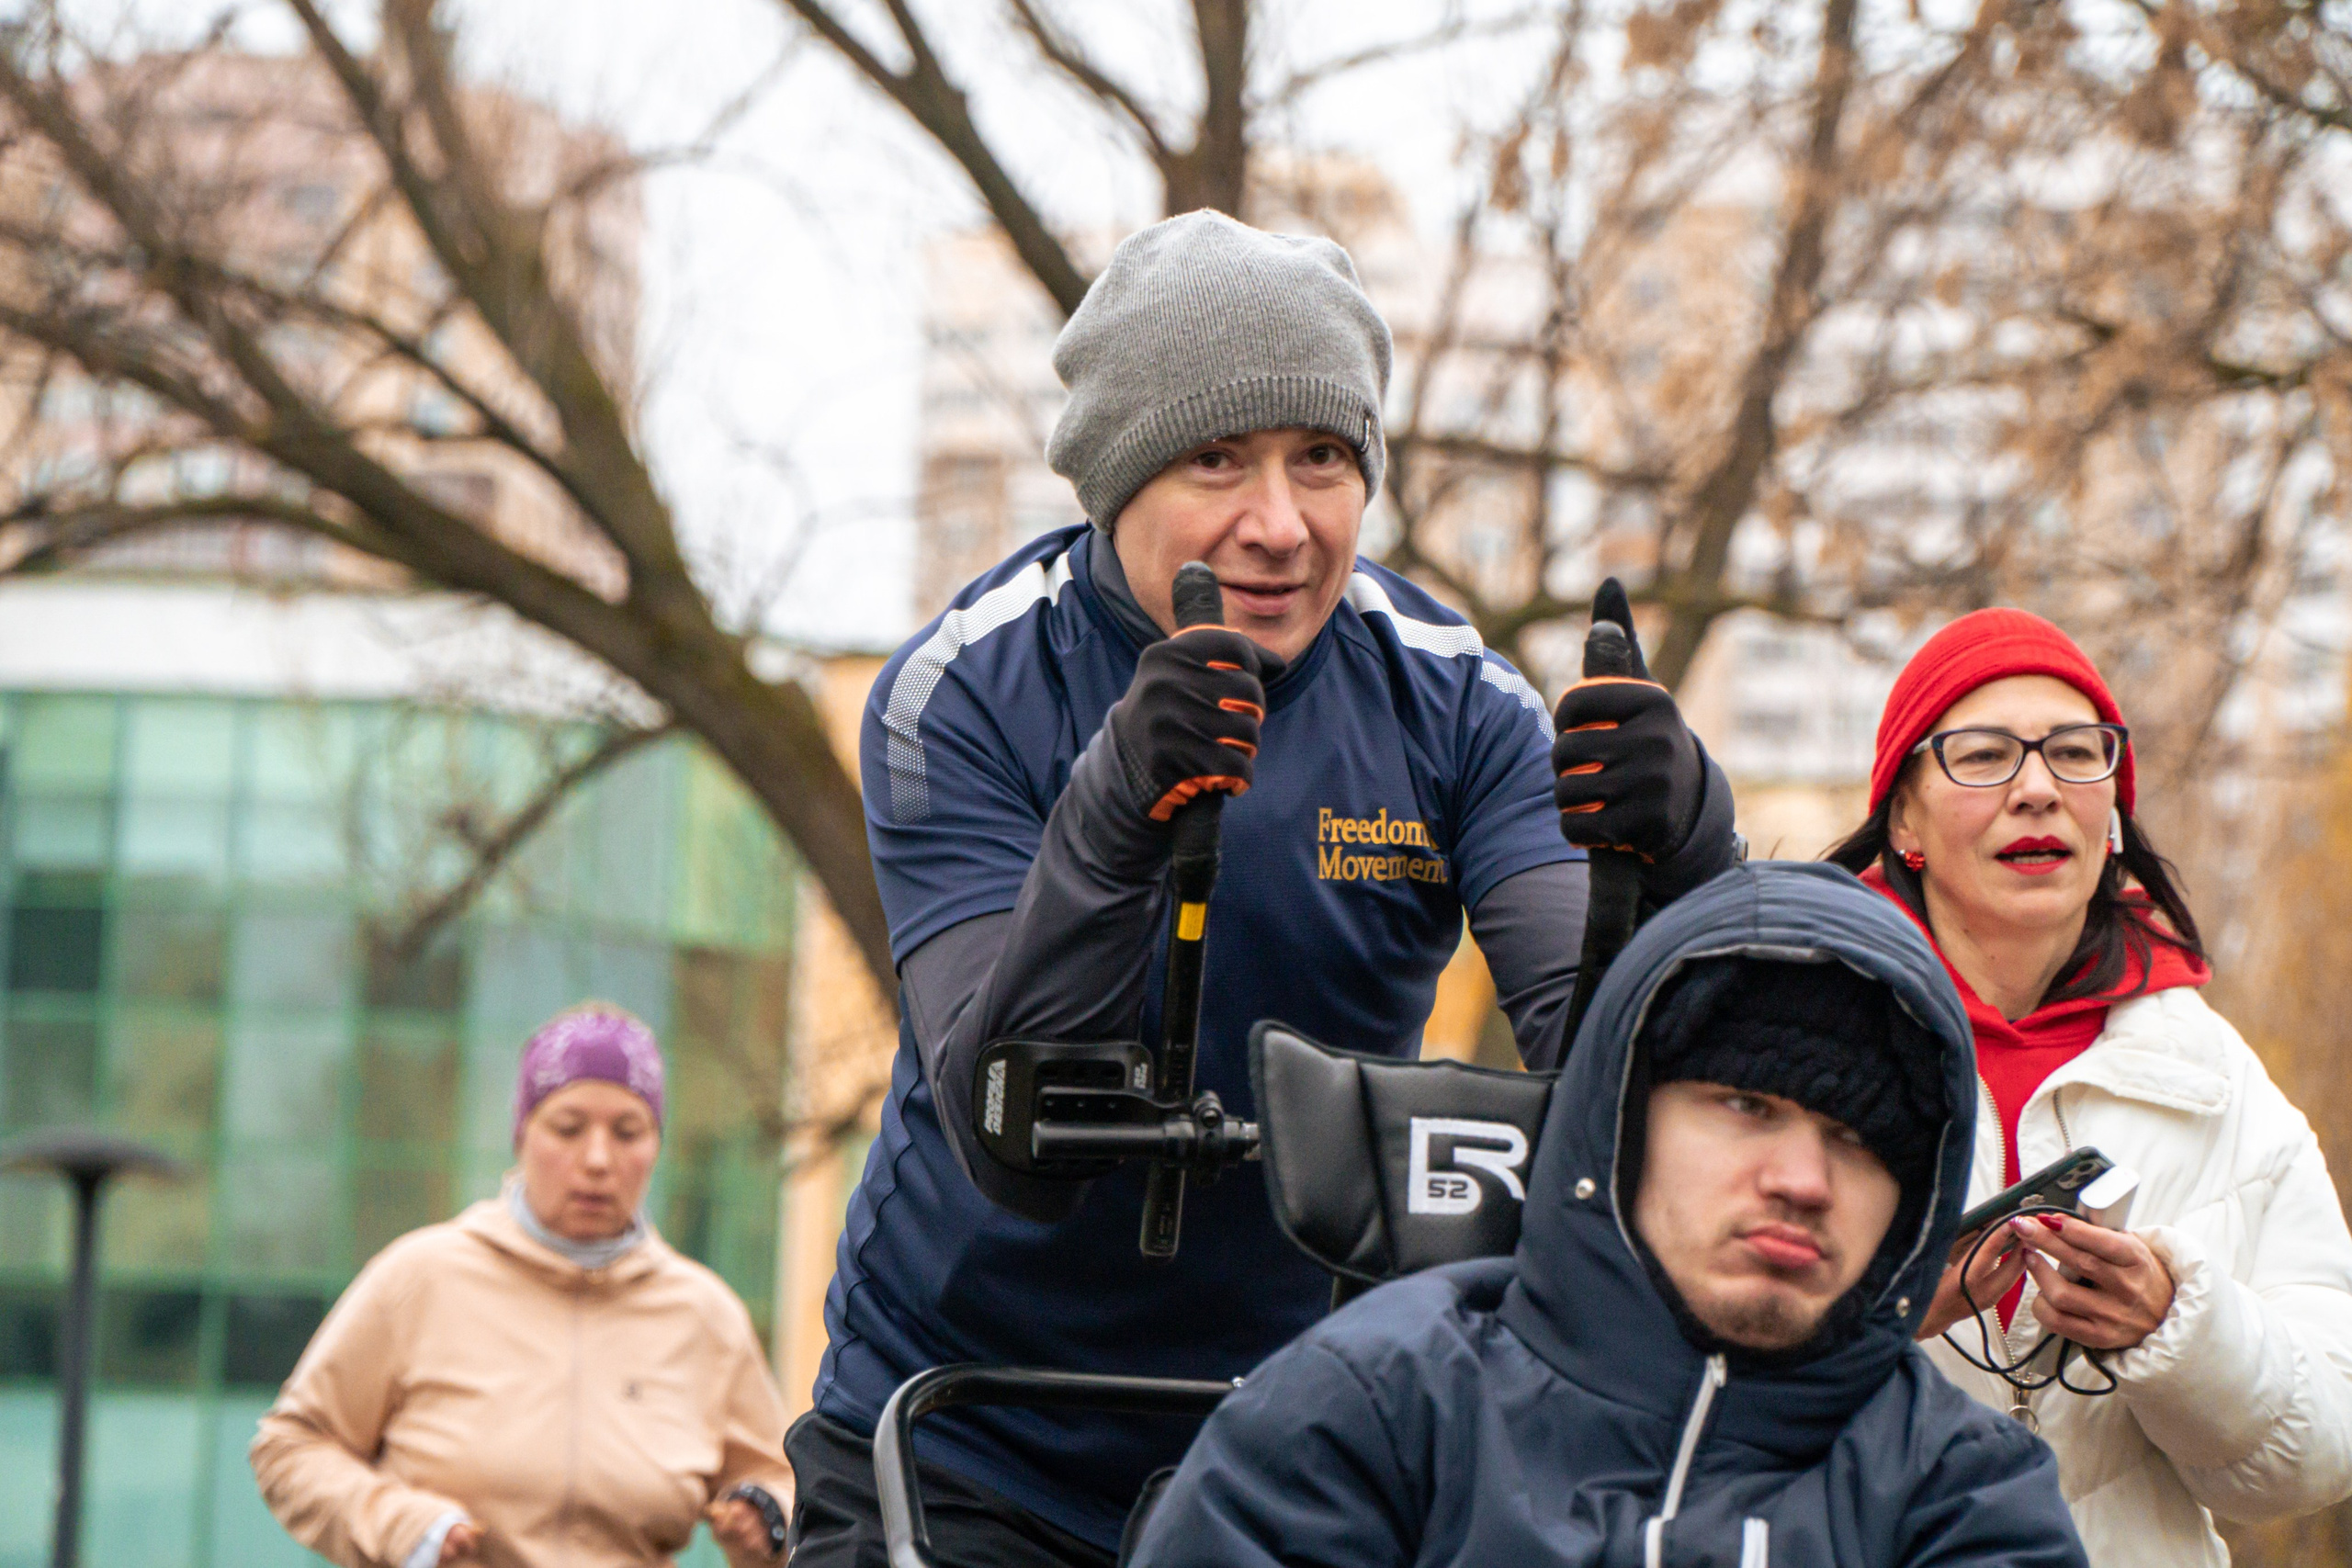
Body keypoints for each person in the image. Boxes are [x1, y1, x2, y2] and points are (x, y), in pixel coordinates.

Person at [790, 210, 1742, 1564]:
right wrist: (1117, 808)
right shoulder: (961, 692)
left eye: (1324, 459)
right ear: (1117, 477)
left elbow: (1614, 1080)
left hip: (1296, 1438)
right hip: (965, 1432)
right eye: (1218, 459)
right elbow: (1012, 1132)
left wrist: (1687, 852)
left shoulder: (1458, 698)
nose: (1280, 524)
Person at [1127, 861, 2089, 1567]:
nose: (1802, 1178)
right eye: (1746, 1107)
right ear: (1623, 1127)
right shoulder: (1371, 1408)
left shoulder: (1967, 1494)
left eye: (1863, 1141)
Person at [1824, 608, 2352, 1563]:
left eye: (2074, 754)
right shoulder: (1800, 1054)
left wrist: (2176, 1335)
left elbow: (2318, 1457)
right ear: (1902, 816)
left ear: (2110, 810)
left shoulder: (2218, 1082)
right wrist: (1889, 1321)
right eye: (1981, 756)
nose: (2036, 789)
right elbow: (1682, 1393)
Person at [251, 1005, 793, 1568]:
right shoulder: (420, 1278)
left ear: (656, 1146)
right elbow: (291, 1446)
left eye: (628, 1132)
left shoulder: (705, 1315)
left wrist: (769, 1517)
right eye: (568, 1128)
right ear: (521, 1133)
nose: (598, 1159)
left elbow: (778, 1478)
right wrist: (399, 1523)